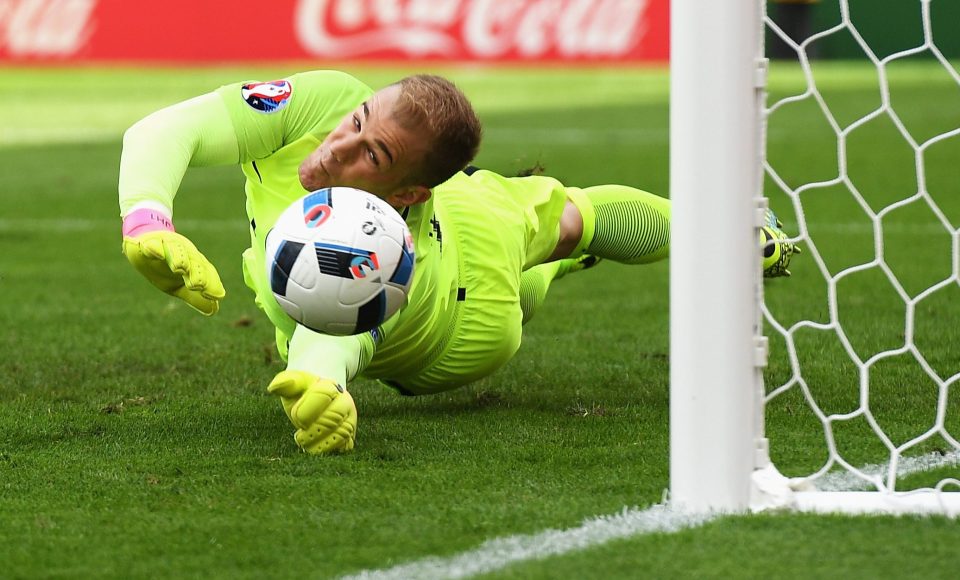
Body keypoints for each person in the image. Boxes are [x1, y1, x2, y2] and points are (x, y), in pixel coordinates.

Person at [119, 70, 796, 454]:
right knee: (552, 229)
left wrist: (323, 384)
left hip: (462, 319)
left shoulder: (385, 240)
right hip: (460, 225)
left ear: (407, 193)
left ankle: (732, 234)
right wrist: (147, 219)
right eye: (357, 123)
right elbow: (165, 129)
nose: (336, 151)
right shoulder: (323, 104)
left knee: (566, 227)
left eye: (370, 156)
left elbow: (338, 329)